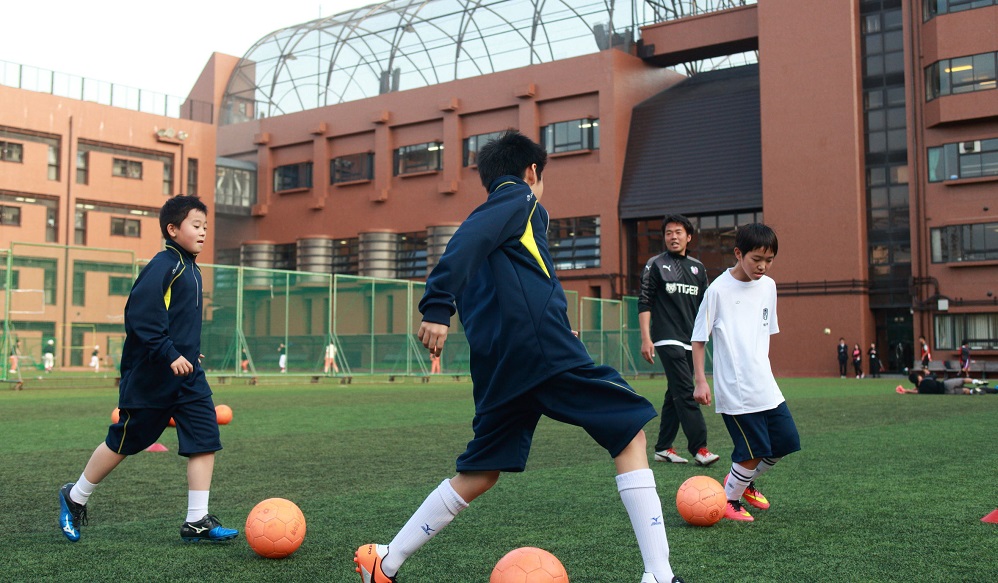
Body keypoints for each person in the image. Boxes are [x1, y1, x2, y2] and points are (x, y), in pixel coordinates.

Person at [354, 131, 684, 583]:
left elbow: (515, 281)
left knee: (481, 470)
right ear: (531, 172)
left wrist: (553, 319)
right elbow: (465, 242)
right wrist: (436, 306)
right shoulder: (521, 200)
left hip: (500, 368)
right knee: (630, 432)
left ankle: (386, 561)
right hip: (538, 353)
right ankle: (659, 576)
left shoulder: (501, 221)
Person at [57, 195, 237, 544]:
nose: (202, 233)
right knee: (127, 439)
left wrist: (188, 354)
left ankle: (197, 520)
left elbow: (177, 321)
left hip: (187, 377)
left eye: (205, 227)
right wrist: (170, 354)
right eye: (195, 226)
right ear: (173, 229)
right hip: (152, 377)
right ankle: (74, 496)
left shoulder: (192, 268)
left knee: (204, 439)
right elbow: (141, 316)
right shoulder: (165, 264)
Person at [691, 223, 801, 523]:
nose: (762, 266)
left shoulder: (769, 286)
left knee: (786, 442)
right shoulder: (717, 290)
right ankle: (730, 499)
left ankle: (742, 480)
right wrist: (700, 380)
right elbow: (699, 338)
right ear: (738, 253)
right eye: (756, 259)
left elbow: (766, 333)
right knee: (752, 449)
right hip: (735, 387)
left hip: (765, 384)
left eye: (769, 260)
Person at [637, 214, 718, 467]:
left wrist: (705, 334)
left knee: (674, 392)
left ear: (688, 236)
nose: (673, 236)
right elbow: (645, 302)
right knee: (685, 390)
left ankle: (663, 447)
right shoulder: (656, 264)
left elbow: (706, 306)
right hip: (666, 338)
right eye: (669, 232)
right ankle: (700, 448)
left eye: (678, 232)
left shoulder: (698, 268)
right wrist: (646, 338)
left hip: (691, 340)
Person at [897, 370, 993, 395]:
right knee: (962, 380)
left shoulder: (921, 388)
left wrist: (907, 390)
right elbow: (934, 376)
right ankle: (976, 381)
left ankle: (972, 392)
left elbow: (917, 391)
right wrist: (928, 374)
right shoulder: (926, 379)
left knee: (964, 390)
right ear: (918, 377)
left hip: (945, 392)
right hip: (946, 384)